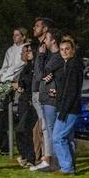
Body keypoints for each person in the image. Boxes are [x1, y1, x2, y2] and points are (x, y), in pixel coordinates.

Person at [31, 28, 64, 172]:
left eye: (47, 38)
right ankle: (52, 161)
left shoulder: (56, 57)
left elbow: (41, 74)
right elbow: (42, 74)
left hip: (51, 99)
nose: (44, 41)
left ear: (53, 41)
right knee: (50, 131)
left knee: (52, 131)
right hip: (45, 97)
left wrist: (41, 56)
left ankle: (55, 162)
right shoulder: (51, 56)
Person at [52, 37, 84, 175]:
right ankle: (69, 166)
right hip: (67, 107)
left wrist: (64, 111)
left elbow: (72, 91)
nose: (64, 52)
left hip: (68, 109)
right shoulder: (69, 65)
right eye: (62, 50)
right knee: (65, 138)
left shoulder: (73, 65)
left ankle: (66, 167)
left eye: (67, 49)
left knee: (57, 137)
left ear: (73, 50)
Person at [31, 17, 54, 167]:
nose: (34, 28)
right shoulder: (38, 47)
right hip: (35, 90)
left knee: (46, 126)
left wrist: (40, 56)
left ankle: (47, 158)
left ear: (45, 29)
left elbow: (41, 74)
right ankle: (40, 157)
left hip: (43, 91)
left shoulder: (46, 51)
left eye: (37, 25)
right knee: (40, 127)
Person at [15, 43, 37, 167]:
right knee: (20, 130)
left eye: (29, 51)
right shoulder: (26, 67)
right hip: (23, 100)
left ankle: (30, 158)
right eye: (26, 51)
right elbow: (22, 81)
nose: (27, 53)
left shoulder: (36, 67)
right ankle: (25, 156)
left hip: (30, 100)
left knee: (24, 129)